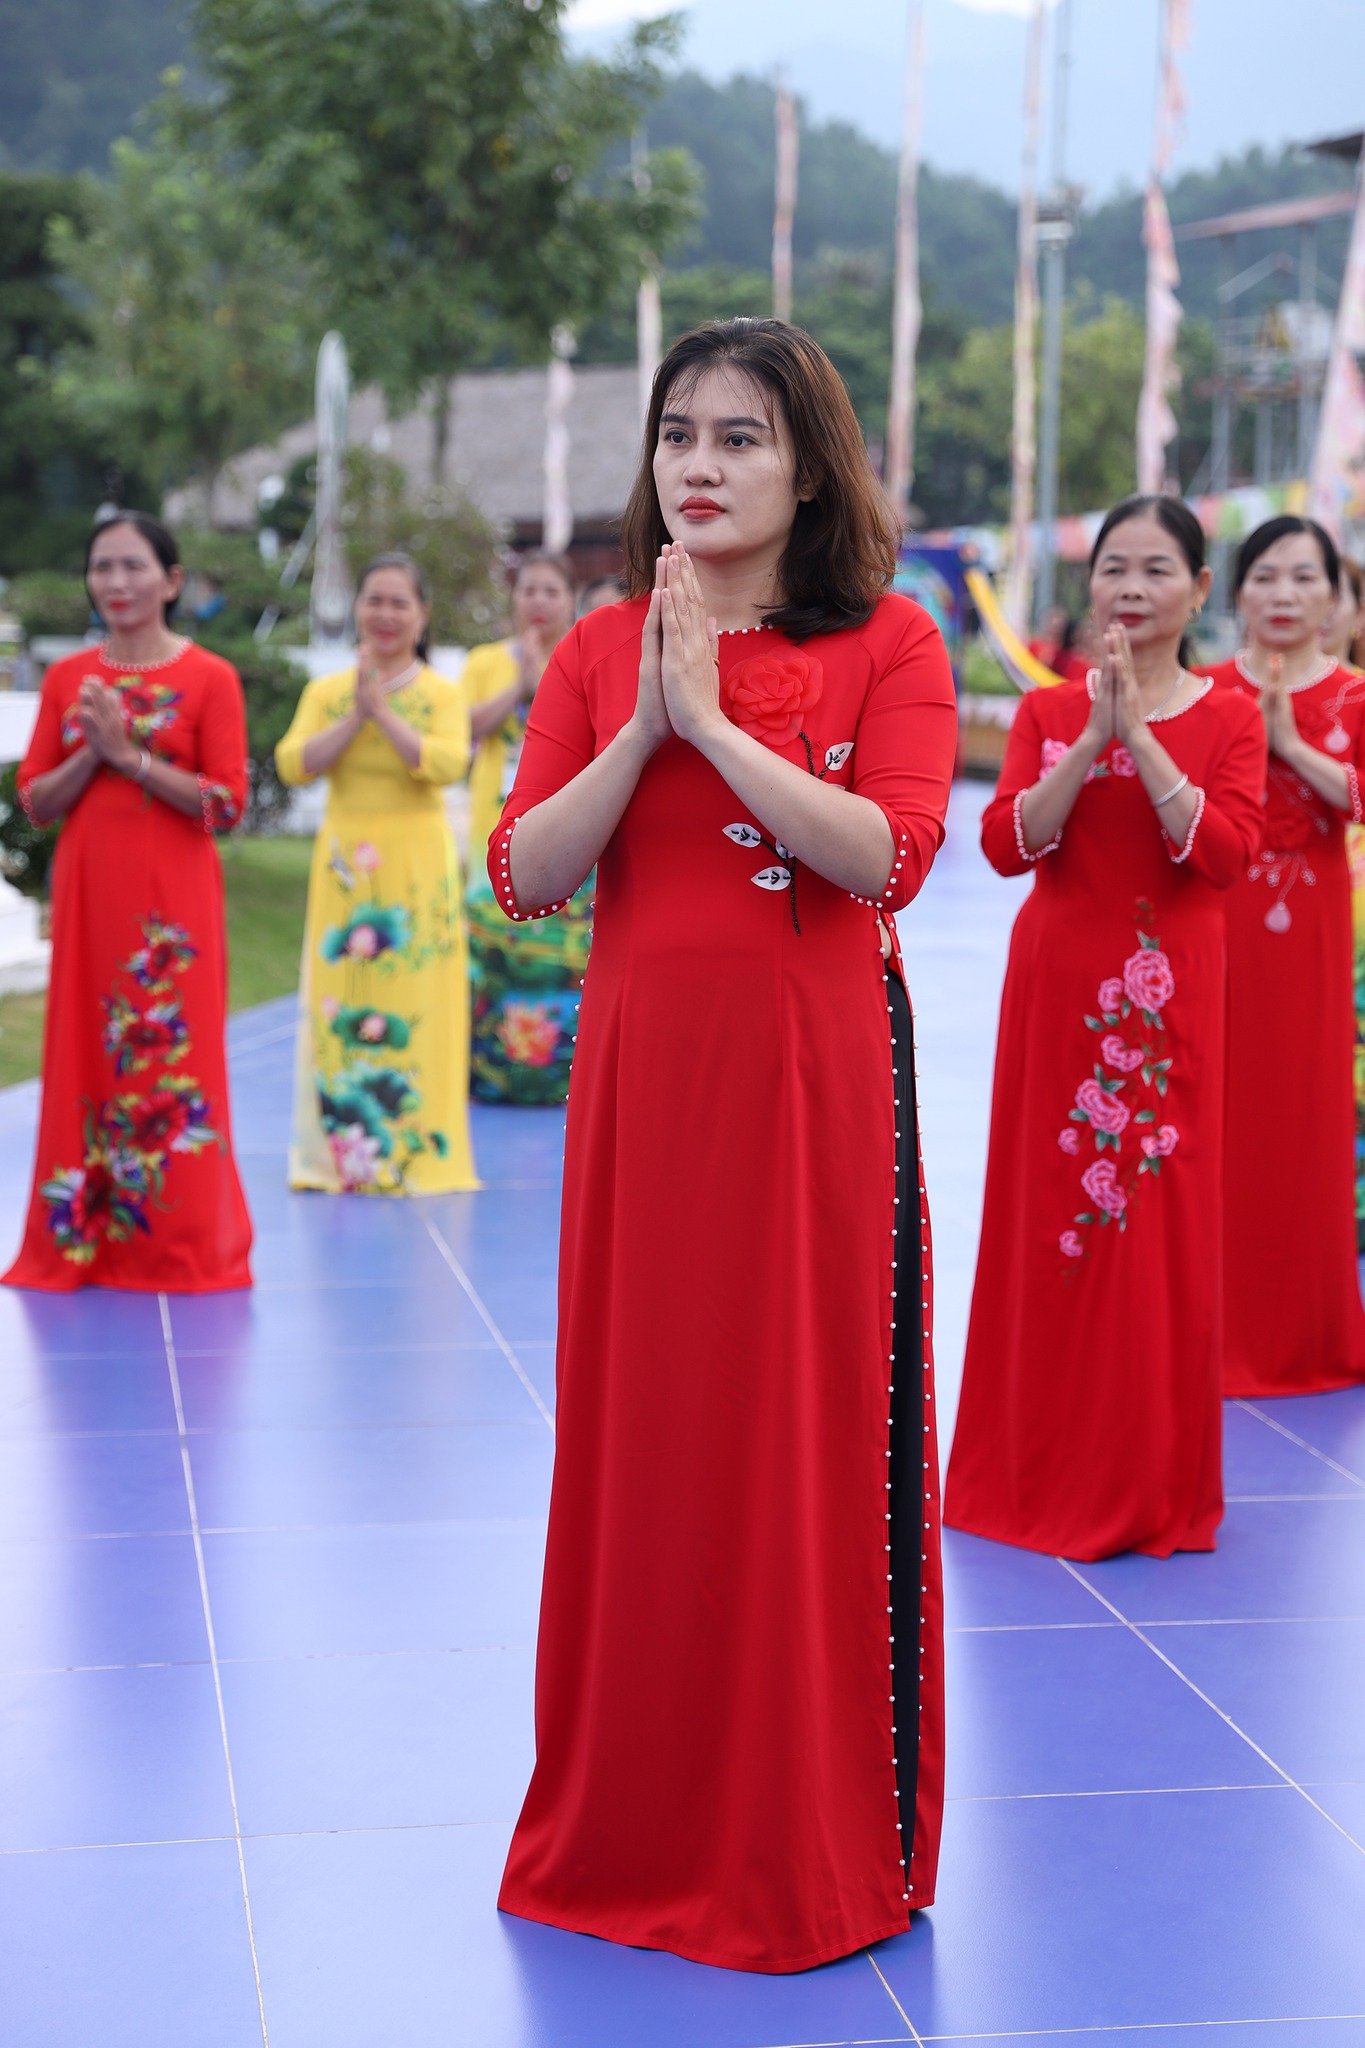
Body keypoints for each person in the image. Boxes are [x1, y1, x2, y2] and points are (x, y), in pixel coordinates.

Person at [493, 317, 958, 1972]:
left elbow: (889, 857)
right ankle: (634, 1821)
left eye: (740, 436)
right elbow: (527, 874)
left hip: (815, 1092)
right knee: (649, 1434)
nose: (698, 464)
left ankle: (802, 1832)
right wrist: (643, 726)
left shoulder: (892, 639)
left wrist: (716, 725)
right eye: (678, 432)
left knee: (801, 1438)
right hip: (645, 1098)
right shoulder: (596, 647)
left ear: (812, 468)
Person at [944, 496, 1266, 1560]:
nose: (1129, 587)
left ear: (1199, 591)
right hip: (1059, 988)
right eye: (1113, 567)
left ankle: (1142, 1475)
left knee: (1154, 1230)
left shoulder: (1230, 717)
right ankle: (1033, 1467)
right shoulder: (1046, 713)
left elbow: (1222, 855)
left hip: (1167, 1002)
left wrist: (1143, 742)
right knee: (1050, 1218)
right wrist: (1090, 739)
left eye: (1155, 568)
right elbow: (1005, 846)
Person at [3, 512, 253, 1292]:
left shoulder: (211, 677)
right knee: (85, 1051)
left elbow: (225, 804)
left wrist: (130, 756)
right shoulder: (67, 678)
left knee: (174, 1056)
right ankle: (87, 1237)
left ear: (171, 581)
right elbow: (36, 801)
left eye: (133, 566)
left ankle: (175, 1244)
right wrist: (95, 754)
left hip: (173, 911)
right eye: (102, 566)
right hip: (90, 895)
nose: (115, 582)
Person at [1205, 517, 1365, 1394]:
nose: (1283, 595)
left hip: (1307, 934)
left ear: (1335, 599)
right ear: (1234, 592)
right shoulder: (1200, 689)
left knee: (1300, 1122)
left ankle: (1301, 1335)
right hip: (1211, 929)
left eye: (1305, 578)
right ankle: (1202, 1325)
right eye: (1264, 576)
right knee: (1211, 1115)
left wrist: (1287, 743)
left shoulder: (1352, 696)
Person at [274, 554, 479, 1194]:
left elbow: (448, 763)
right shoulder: (328, 693)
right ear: (357, 609)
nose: (385, 614)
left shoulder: (441, 694)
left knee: (418, 1002)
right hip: (346, 873)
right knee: (342, 997)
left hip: (416, 870)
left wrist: (382, 714)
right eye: (374, 600)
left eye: (399, 603)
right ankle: (343, 1156)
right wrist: (355, 716)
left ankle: (413, 1152)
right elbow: (293, 763)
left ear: (422, 616)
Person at [460, 555, 592, 1103]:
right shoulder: (485, 662)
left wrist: (545, 681)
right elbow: (462, 727)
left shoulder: (582, 654)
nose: (538, 601)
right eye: (529, 590)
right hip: (496, 823)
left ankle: (562, 1079)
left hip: (567, 824)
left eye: (551, 591)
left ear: (570, 600)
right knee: (494, 951)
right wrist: (519, 683)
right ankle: (494, 1076)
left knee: (562, 956)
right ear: (513, 600)